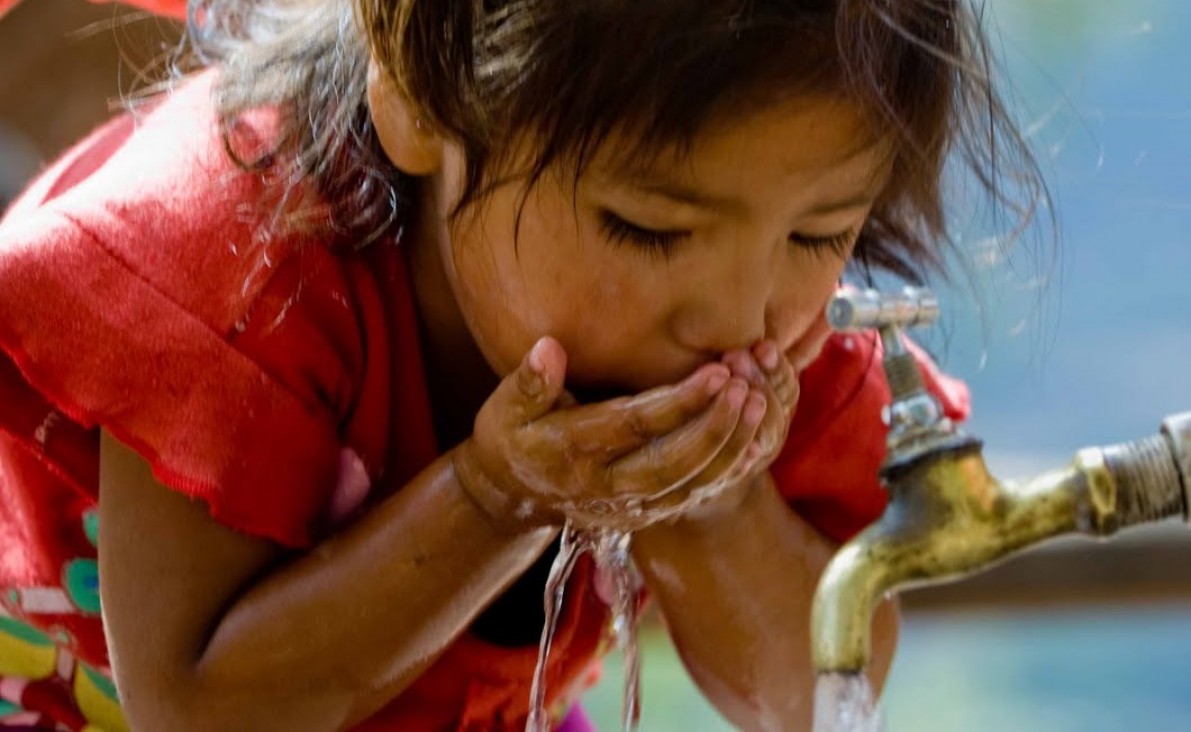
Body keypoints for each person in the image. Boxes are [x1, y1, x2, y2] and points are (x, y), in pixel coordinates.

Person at [0, 0, 1042, 729]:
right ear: (420, 95)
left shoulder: (771, 305)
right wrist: (496, 498)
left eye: (820, 236)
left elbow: (820, 695)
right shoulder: (233, 263)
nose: (734, 317)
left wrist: (705, 498)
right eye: (647, 230)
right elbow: (200, 709)